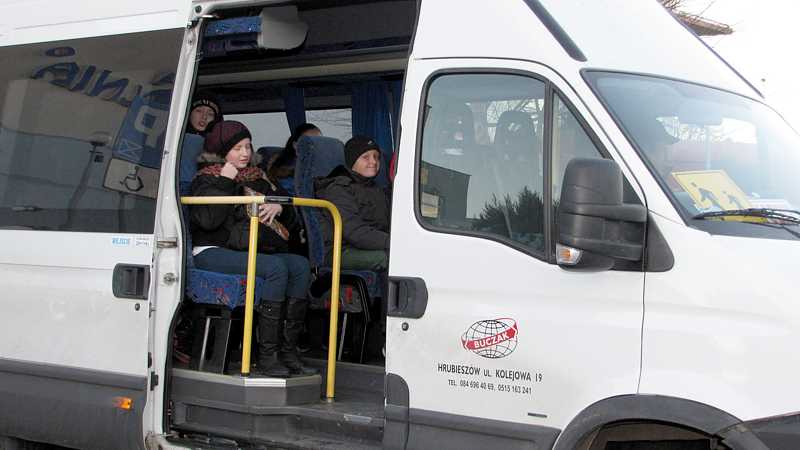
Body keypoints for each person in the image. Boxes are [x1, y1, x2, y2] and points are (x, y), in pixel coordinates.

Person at [189, 120, 317, 377]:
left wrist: (280, 208)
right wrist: (226, 182)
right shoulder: (205, 179)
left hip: (247, 248)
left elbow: (290, 215)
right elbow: (208, 221)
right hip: (211, 251)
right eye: (237, 148)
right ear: (221, 151)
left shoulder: (258, 176)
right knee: (276, 268)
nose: (245, 153)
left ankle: (288, 352)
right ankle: (267, 356)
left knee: (300, 266)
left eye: (248, 146)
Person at [315, 135, 390, 271]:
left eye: (376, 157)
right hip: (341, 250)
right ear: (352, 161)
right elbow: (354, 232)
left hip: (366, 245)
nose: (373, 162)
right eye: (366, 157)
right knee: (390, 258)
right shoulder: (338, 189)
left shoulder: (376, 189)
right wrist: (393, 242)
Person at [265, 123, 322, 195]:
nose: (316, 147)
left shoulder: (326, 166)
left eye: (320, 142)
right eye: (310, 143)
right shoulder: (284, 173)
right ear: (296, 146)